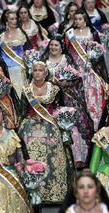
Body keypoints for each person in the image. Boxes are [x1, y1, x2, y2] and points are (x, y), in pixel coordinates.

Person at [18, 61, 75, 204]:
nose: (37, 73)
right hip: (29, 127)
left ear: (46, 72)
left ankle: (53, 191)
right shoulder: (26, 90)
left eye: (40, 70)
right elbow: (22, 111)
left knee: (54, 156)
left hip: (50, 126)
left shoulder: (54, 89)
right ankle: (32, 191)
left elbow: (60, 109)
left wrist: (64, 126)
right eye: (35, 70)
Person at [42, 36, 93, 168]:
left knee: (75, 124)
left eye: (56, 45)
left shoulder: (67, 60)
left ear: (62, 47)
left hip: (69, 98)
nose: (53, 47)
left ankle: (78, 157)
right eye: (51, 45)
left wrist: (67, 83)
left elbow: (78, 78)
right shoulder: (44, 62)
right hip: (51, 99)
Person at [64, 9, 109, 130]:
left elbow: (99, 53)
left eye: (80, 19)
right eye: (76, 19)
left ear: (85, 20)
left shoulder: (92, 33)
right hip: (76, 70)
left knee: (93, 96)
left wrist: (92, 62)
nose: (77, 21)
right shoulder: (70, 33)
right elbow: (66, 52)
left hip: (91, 71)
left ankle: (96, 124)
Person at [0, 10, 32, 98]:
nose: (15, 21)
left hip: (21, 69)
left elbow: (28, 51)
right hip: (6, 70)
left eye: (15, 18)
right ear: (6, 21)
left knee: (24, 94)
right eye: (12, 19)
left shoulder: (22, 33)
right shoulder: (0, 37)